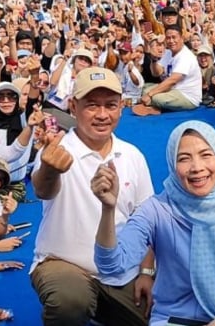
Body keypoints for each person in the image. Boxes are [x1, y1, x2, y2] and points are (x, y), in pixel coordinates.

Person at [93, 120, 215, 325]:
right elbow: (112, 265)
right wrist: (108, 209)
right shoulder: (158, 210)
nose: (197, 167)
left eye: (206, 155)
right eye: (184, 158)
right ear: (171, 164)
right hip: (173, 319)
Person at [31, 66, 155, 326]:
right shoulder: (57, 151)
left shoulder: (132, 155)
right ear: (73, 107)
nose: (102, 115)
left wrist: (146, 271)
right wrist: (50, 170)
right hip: (65, 264)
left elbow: (147, 222)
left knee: (157, 313)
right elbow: (43, 188)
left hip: (121, 269)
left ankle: (100, 310)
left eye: (110, 105)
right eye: (91, 105)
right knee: (70, 302)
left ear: (121, 107)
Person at [133, 25, 202, 116]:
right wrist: (154, 59)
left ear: (181, 38)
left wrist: (150, 94)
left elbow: (172, 80)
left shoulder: (185, 56)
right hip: (173, 90)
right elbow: (156, 73)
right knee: (145, 88)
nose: (171, 41)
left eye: (174, 37)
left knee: (155, 97)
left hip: (187, 96)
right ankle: (154, 107)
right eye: (168, 38)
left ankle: (155, 107)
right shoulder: (169, 53)